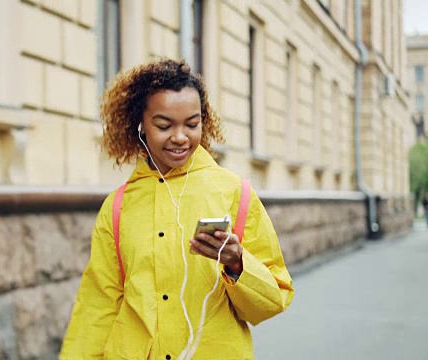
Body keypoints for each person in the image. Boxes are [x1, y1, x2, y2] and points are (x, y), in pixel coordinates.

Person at [60, 58, 294, 359]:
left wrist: (238, 264)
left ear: (204, 122)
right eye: (164, 125)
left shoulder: (235, 193)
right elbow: (98, 305)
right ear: (140, 123)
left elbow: (273, 300)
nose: (180, 137)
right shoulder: (118, 206)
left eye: (192, 124)